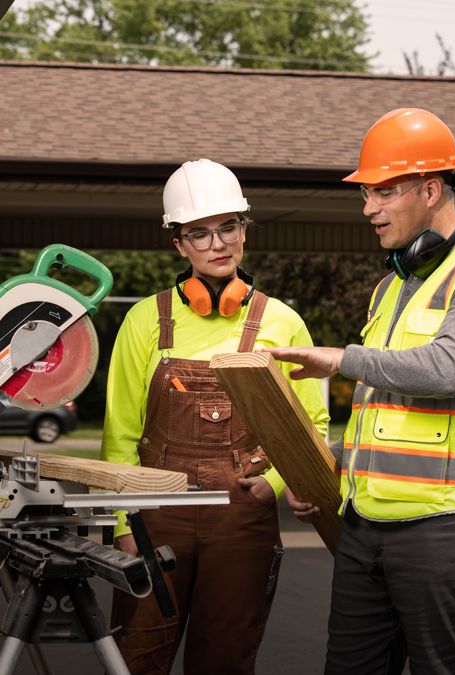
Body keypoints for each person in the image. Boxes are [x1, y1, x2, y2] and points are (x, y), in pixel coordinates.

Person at [266, 108, 455, 674]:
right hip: (366, 524)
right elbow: (382, 407)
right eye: (366, 194)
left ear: (430, 188)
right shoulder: (393, 286)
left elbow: (443, 371)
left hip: (447, 526)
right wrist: (325, 467)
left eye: (383, 193)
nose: (369, 208)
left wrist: (342, 359)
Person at [102, 158, 330, 673]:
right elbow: (119, 436)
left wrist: (270, 485)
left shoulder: (282, 321)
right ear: (178, 244)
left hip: (241, 517)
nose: (217, 244)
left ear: (244, 230)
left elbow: (311, 428)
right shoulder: (144, 320)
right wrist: (122, 524)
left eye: (228, 226)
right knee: (137, 656)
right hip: (153, 518)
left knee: (225, 660)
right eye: (199, 234)